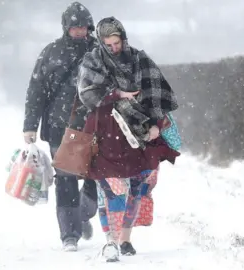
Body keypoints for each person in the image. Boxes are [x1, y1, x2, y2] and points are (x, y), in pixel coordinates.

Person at [77, 16, 180, 262]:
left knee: (138, 185)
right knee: (108, 187)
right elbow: (86, 94)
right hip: (105, 131)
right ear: (101, 42)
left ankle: (125, 238)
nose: (114, 48)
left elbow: (156, 94)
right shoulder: (92, 62)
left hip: (140, 131)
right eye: (109, 44)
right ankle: (110, 241)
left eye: (118, 42)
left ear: (124, 38)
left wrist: (155, 124)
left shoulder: (140, 60)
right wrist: (116, 94)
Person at [22, 2, 99, 251]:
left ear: (89, 26)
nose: (79, 31)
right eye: (74, 26)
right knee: (66, 179)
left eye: (83, 26)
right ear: (66, 27)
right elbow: (36, 91)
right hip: (59, 127)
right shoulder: (51, 52)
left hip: (94, 126)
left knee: (94, 175)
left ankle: (83, 213)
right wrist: (30, 125)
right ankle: (69, 234)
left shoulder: (100, 52)